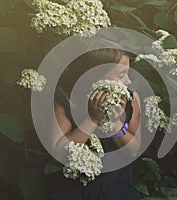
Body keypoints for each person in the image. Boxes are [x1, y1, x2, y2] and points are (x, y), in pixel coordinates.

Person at [50, 39, 141, 200]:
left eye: (128, 73)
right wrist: (93, 119)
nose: (128, 81)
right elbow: (59, 152)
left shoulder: (131, 99)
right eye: (121, 75)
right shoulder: (66, 100)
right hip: (74, 192)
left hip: (117, 191)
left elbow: (133, 150)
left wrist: (114, 123)